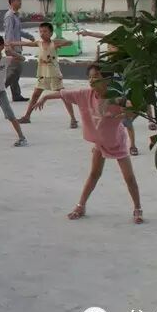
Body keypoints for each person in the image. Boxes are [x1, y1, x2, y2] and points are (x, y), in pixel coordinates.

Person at [36, 64, 144, 224]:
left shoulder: (116, 97)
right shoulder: (85, 94)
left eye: (96, 77)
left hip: (117, 143)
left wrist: (123, 109)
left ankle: (137, 208)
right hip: (99, 143)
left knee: (129, 178)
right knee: (94, 174)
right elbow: (64, 93)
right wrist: (45, 97)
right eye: (90, 77)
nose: (92, 80)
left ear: (107, 80)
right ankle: (81, 206)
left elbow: (135, 109)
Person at [9, 22, 78, 128]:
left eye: (45, 31)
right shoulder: (39, 43)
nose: (42, 33)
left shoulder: (54, 43)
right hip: (42, 74)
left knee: (64, 95)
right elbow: (26, 43)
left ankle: (73, 119)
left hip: (54, 74)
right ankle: (27, 117)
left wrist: (62, 43)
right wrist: (13, 43)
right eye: (40, 31)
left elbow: (71, 42)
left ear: (51, 33)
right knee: (35, 95)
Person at [4, 0, 35, 101]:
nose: (20, 2)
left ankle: (16, 95)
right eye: (18, 0)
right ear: (12, 2)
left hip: (17, 46)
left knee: (16, 72)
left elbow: (18, 31)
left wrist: (29, 36)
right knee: (13, 71)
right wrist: (9, 47)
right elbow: (9, 32)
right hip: (12, 47)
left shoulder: (15, 15)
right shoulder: (9, 16)